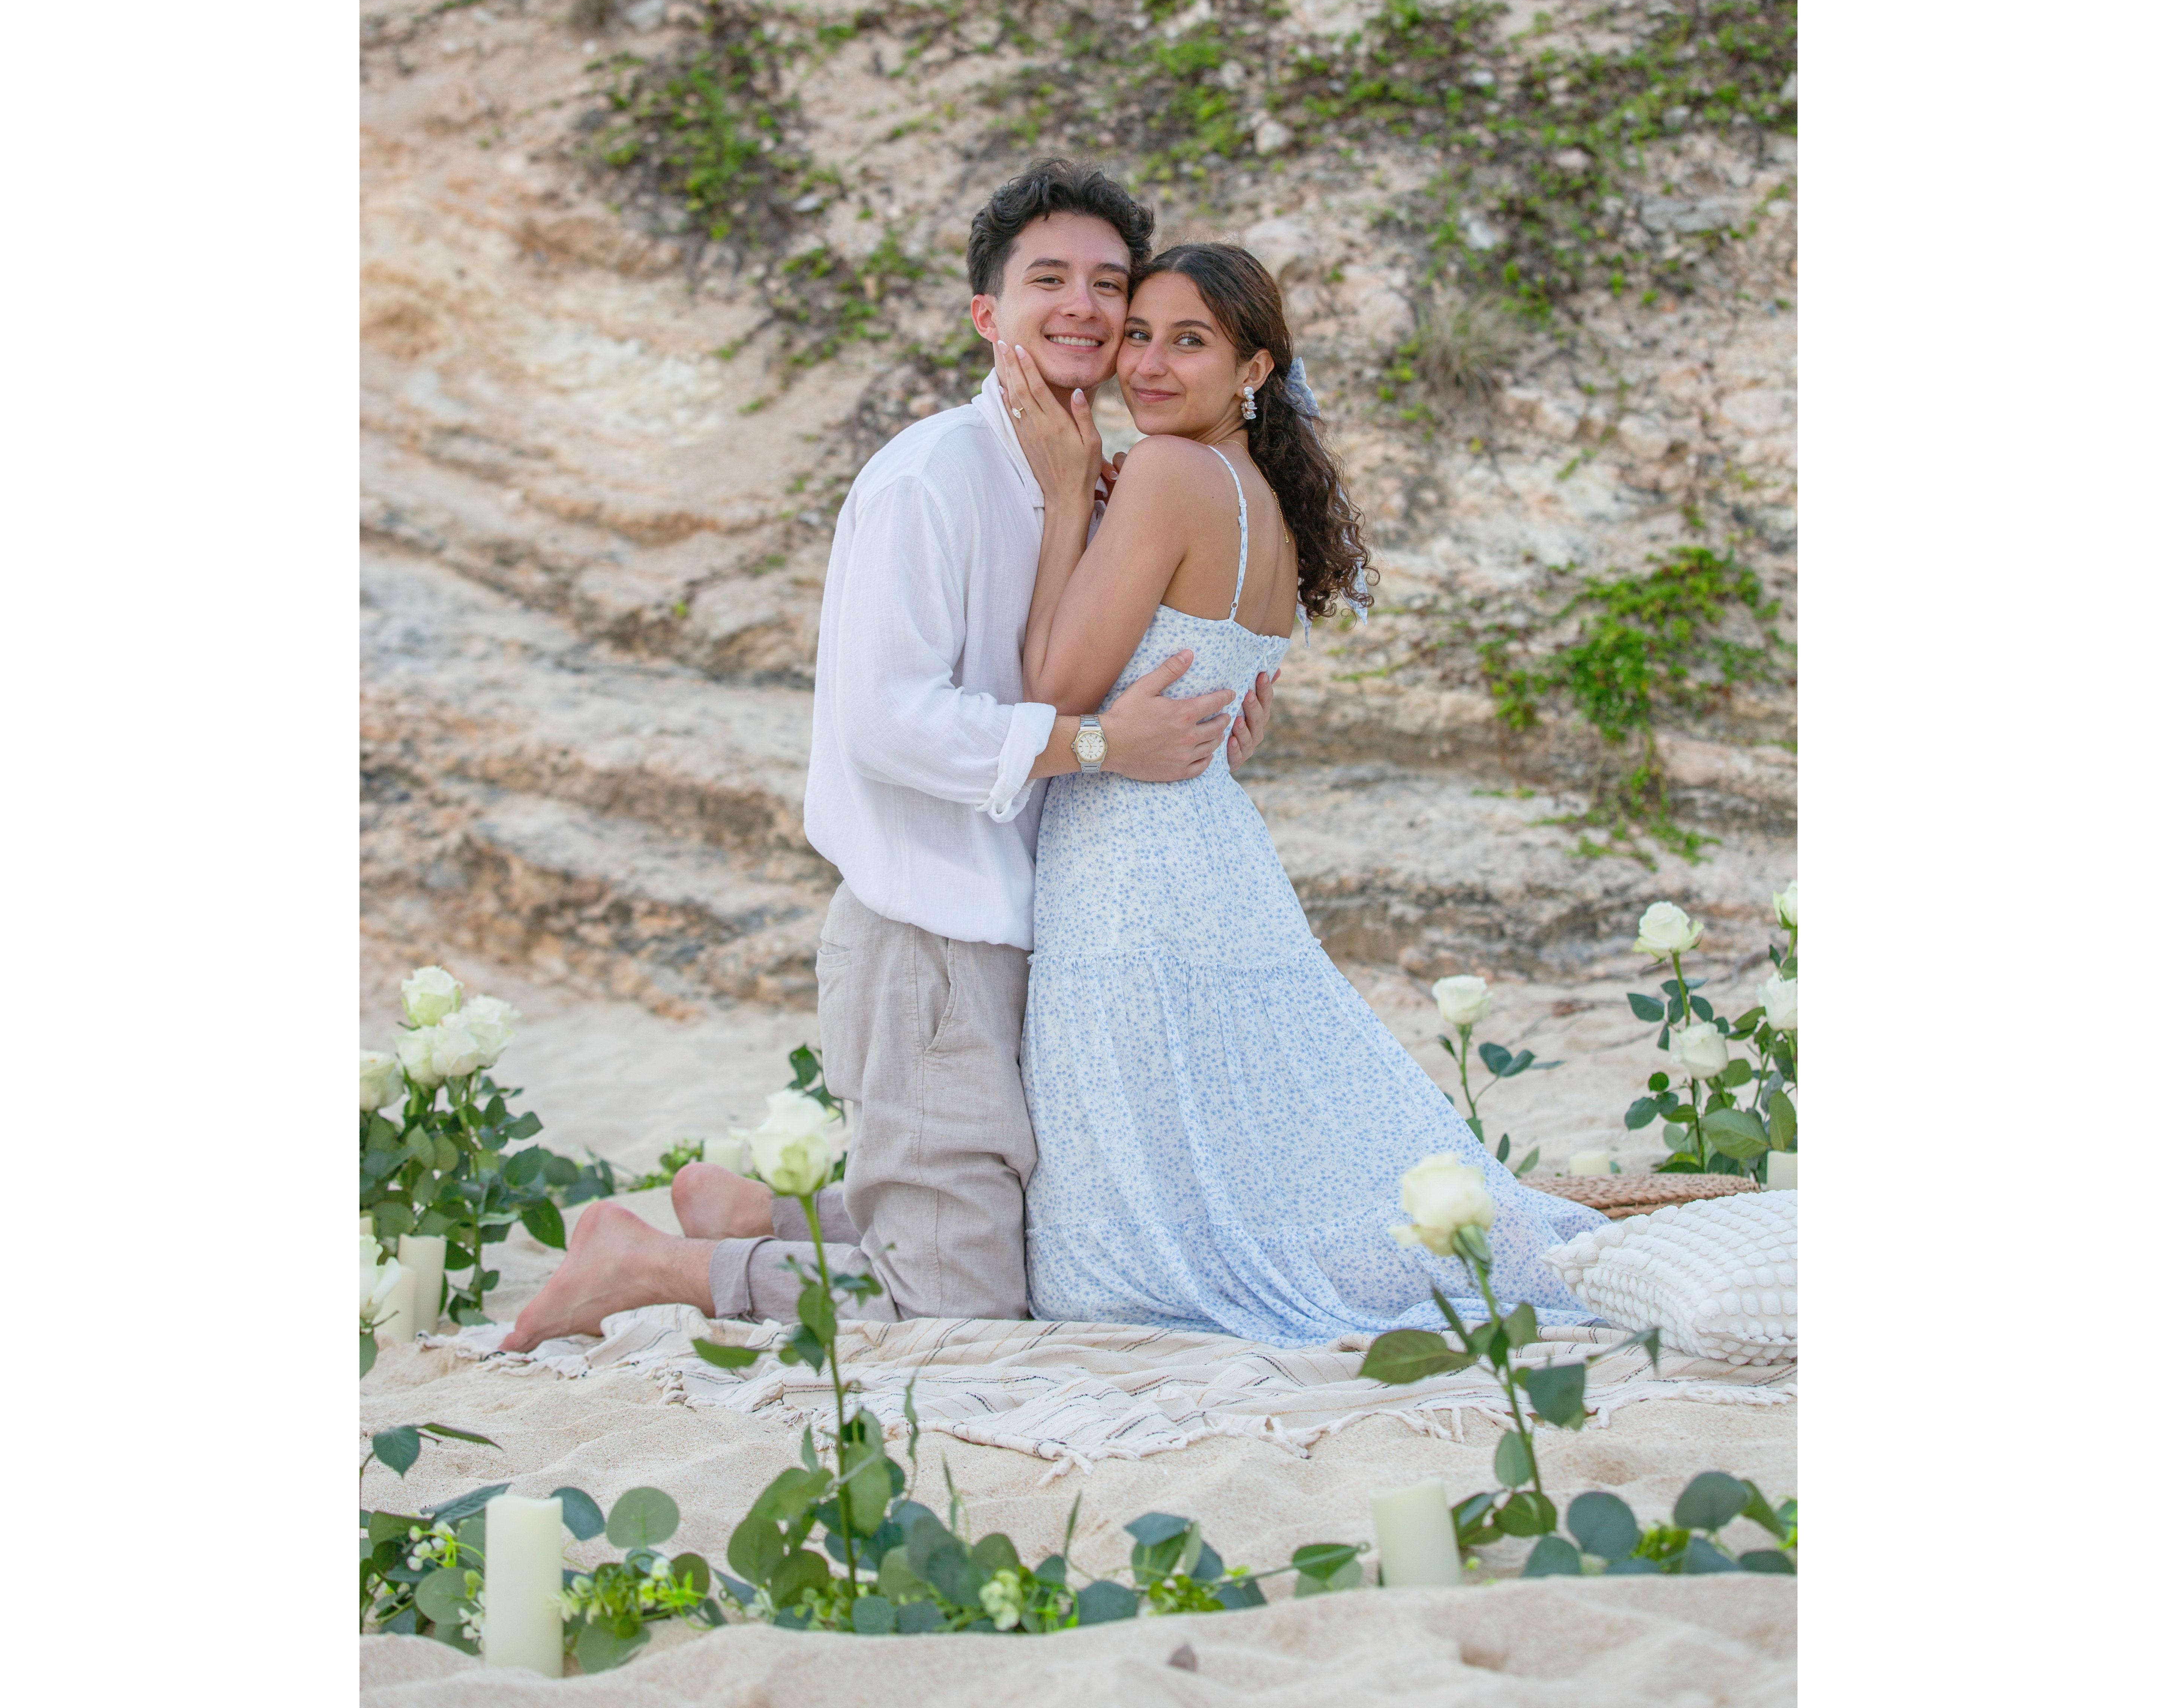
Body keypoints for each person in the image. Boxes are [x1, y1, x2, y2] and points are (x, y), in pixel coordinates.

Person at [503, 161, 1274, 1352]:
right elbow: (888, 717)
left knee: (1039, 1242)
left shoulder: (1093, 481)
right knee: (956, 1310)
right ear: (987, 314)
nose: (1083, 307)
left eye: (1108, 284)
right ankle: (652, 1261)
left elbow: (1098, 666)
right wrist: (1098, 741)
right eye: (1048, 280)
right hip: (931, 935)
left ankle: (766, 1213)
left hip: (1048, 936)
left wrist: (1208, 710)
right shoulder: (931, 475)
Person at [995, 240, 1604, 1349]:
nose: (1148, 365)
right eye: (1140, 335)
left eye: (1190, 342)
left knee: (1116, 1258)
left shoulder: (1170, 474)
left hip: (1130, 873)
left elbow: (1052, 692)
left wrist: (1063, 499)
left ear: (1255, 369)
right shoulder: (1261, 498)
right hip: (1210, 849)